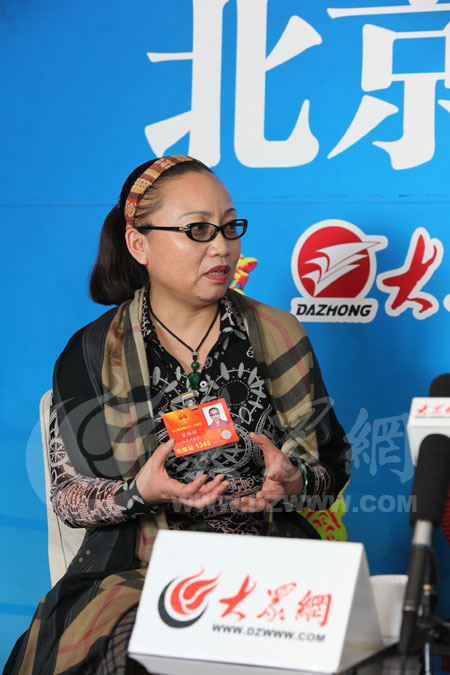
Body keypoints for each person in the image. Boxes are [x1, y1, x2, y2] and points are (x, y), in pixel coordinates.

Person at [5, 154, 351, 675]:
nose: (222, 247)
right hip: (141, 570)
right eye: (198, 230)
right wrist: (140, 492)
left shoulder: (278, 334)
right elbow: (69, 498)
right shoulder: (92, 353)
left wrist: (295, 481)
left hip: (268, 562)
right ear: (138, 243)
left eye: (229, 227)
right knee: (131, 651)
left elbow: (332, 467)